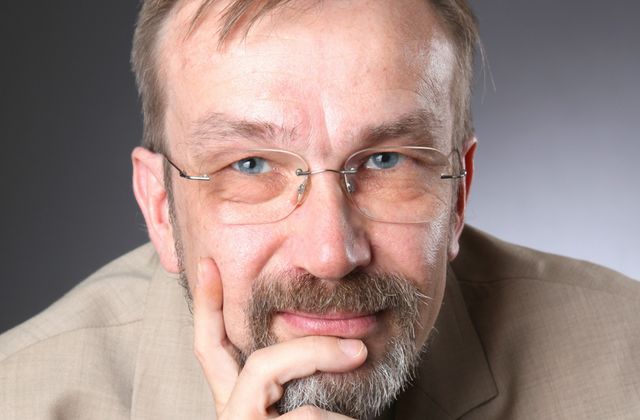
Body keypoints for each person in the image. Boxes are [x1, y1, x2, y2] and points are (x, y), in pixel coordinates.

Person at [1, 1, 638, 419]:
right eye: (251, 165)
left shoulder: (625, 365)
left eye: (386, 161)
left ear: (458, 194)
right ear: (162, 209)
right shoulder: (23, 399)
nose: (332, 255)